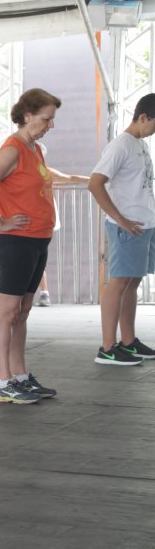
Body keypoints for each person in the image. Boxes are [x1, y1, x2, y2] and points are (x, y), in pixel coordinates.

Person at [0, 88, 89, 403]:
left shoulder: (35, 150)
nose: (50, 125)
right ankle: (2, 382)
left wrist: (84, 179)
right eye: (46, 118)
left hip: (38, 238)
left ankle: (20, 376)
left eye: (52, 119)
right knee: (7, 311)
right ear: (27, 115)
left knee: (22, 311)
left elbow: (44, 180)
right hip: (16, 242)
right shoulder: (12, 149)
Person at [88, 92, 155, 366]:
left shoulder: (140, 144)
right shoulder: (121, 145)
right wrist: (121, 219)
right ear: (143, 117)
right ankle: (107, 347)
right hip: (127, 227)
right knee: (118, 282)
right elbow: (94, 183)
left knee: (132, 281)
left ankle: (128, 342)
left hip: (144, 225)